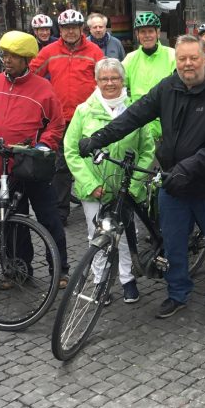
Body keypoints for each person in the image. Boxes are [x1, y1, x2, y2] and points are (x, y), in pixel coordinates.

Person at [78, 35, 205, 326]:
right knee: (173, 243)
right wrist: (99, 138)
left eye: (193, 58)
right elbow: (134, 116)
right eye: (182, 59)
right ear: (176, 60)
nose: (187, 64)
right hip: (174, 183)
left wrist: (187, 167)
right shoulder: (168, 87)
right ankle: (177, 294)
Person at [0, 31, 70, 287]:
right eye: (5, 54)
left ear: (27, 59)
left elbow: (56, 123)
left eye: (14, 56)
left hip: (33, 165)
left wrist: (44, 145)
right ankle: (20, 268)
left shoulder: (43, 89)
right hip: (4, 166)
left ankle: (60, 269)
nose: (7, 60)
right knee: (13, 221)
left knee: (49, 217)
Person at [63, 58, 154, 304]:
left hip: (125, 187)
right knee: (98, 234)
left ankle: (127, 278)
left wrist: (134, 183)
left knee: (125, 232)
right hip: (94, 189)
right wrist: (92, 185)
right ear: (97, 81)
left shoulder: (135, 110)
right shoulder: (84, 110)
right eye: (104, 78)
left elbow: (147, 150)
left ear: (123, 80)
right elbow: (70, 150)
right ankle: (101, 280)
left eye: (115, 78)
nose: (110, 82)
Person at [30, 9, 105, 228]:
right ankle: (60, 212)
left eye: (74, 27)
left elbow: (105, 79)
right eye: (65, 28)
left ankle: (98, 204)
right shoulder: (50, 51)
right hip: (60, 119)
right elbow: (33, 75)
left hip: (87, 118)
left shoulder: (94, 51)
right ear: (60, 30)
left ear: (82, 28)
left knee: (93, 161)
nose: (70, 31)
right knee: (61, 167)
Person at [121, 12, 176, 141]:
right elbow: (118, 86)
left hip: (167, 126)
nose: (147, 36)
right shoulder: (130, 59)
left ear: (158, 33)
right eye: (142, 32)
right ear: (137, 35)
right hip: (138, 126)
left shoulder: (172, 55)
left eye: (150, 31)